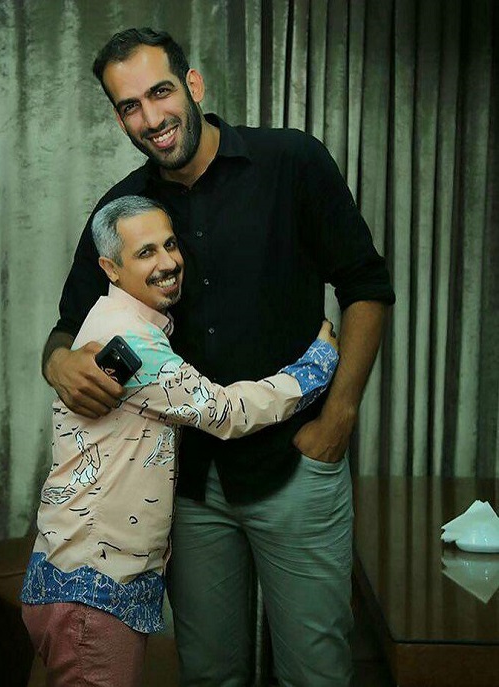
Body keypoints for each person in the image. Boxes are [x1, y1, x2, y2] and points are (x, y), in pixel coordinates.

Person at [41, 27, 395, 687]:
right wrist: (58, 364)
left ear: (193, 84)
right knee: (210, 674)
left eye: (160, 93)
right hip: (190, 488)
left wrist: (339, 415)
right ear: (118, 118)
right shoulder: (123, 211)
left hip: (297, 463)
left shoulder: (291, 161)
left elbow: (366, 286)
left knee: (317, 674)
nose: (151, 118)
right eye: (129, 106)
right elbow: (67, 331)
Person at [22, 195, 339, 687]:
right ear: (110, 268)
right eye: (146, 252)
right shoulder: (131, 342)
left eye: (170, 245)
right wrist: (316, 366)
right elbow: (226, 412)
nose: (168, 262)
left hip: (82, 579)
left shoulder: (121, 324)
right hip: (92, 593)